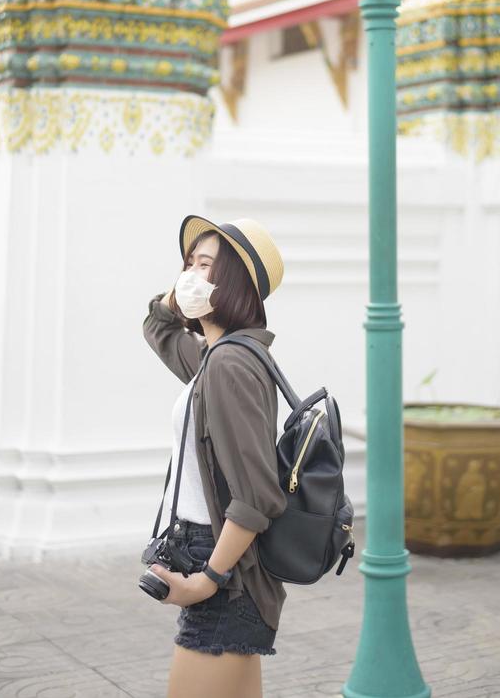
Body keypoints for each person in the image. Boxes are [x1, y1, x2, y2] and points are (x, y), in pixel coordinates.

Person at [142, 214, 287, 698]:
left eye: (206, 266)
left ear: (233, 285)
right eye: (188, 263)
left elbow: (256, 496)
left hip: (224, 568)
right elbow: (157, 327)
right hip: (217, 557)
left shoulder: (228, 364)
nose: (189, 275)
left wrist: (207, 580)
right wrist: (177, 296)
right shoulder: (214, 355)